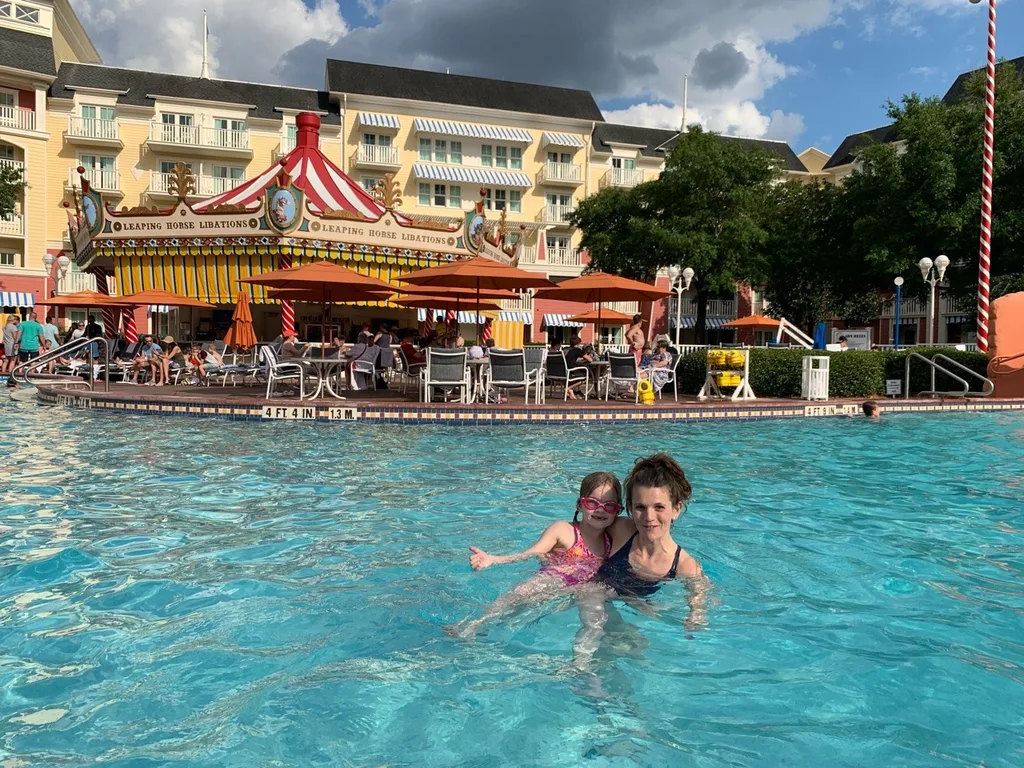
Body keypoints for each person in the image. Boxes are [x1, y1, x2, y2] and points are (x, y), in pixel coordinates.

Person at [449, 471, 633, 639]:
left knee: (595, 621)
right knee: (517, 596)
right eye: (592, 503)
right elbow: (529, 554)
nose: (600, 510)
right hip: (553, 579)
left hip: (584, 588)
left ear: (617, 511)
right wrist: (494, 559)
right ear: (580, 504)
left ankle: (582, 663)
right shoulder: (564, 530)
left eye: (609, 506)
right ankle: (472, 625)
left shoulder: (611, 540)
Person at [573, 454, 708, 670]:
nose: (649, 517)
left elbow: (700, 594)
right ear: (629, 507)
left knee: (635, 652)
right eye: (640, 507)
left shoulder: (683, 565)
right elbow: (580, 531)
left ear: (676, 509)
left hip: (630, 608)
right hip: (587, 596)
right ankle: (580, 667)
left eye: (659, 507)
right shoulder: (622, 530)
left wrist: (695, 614)